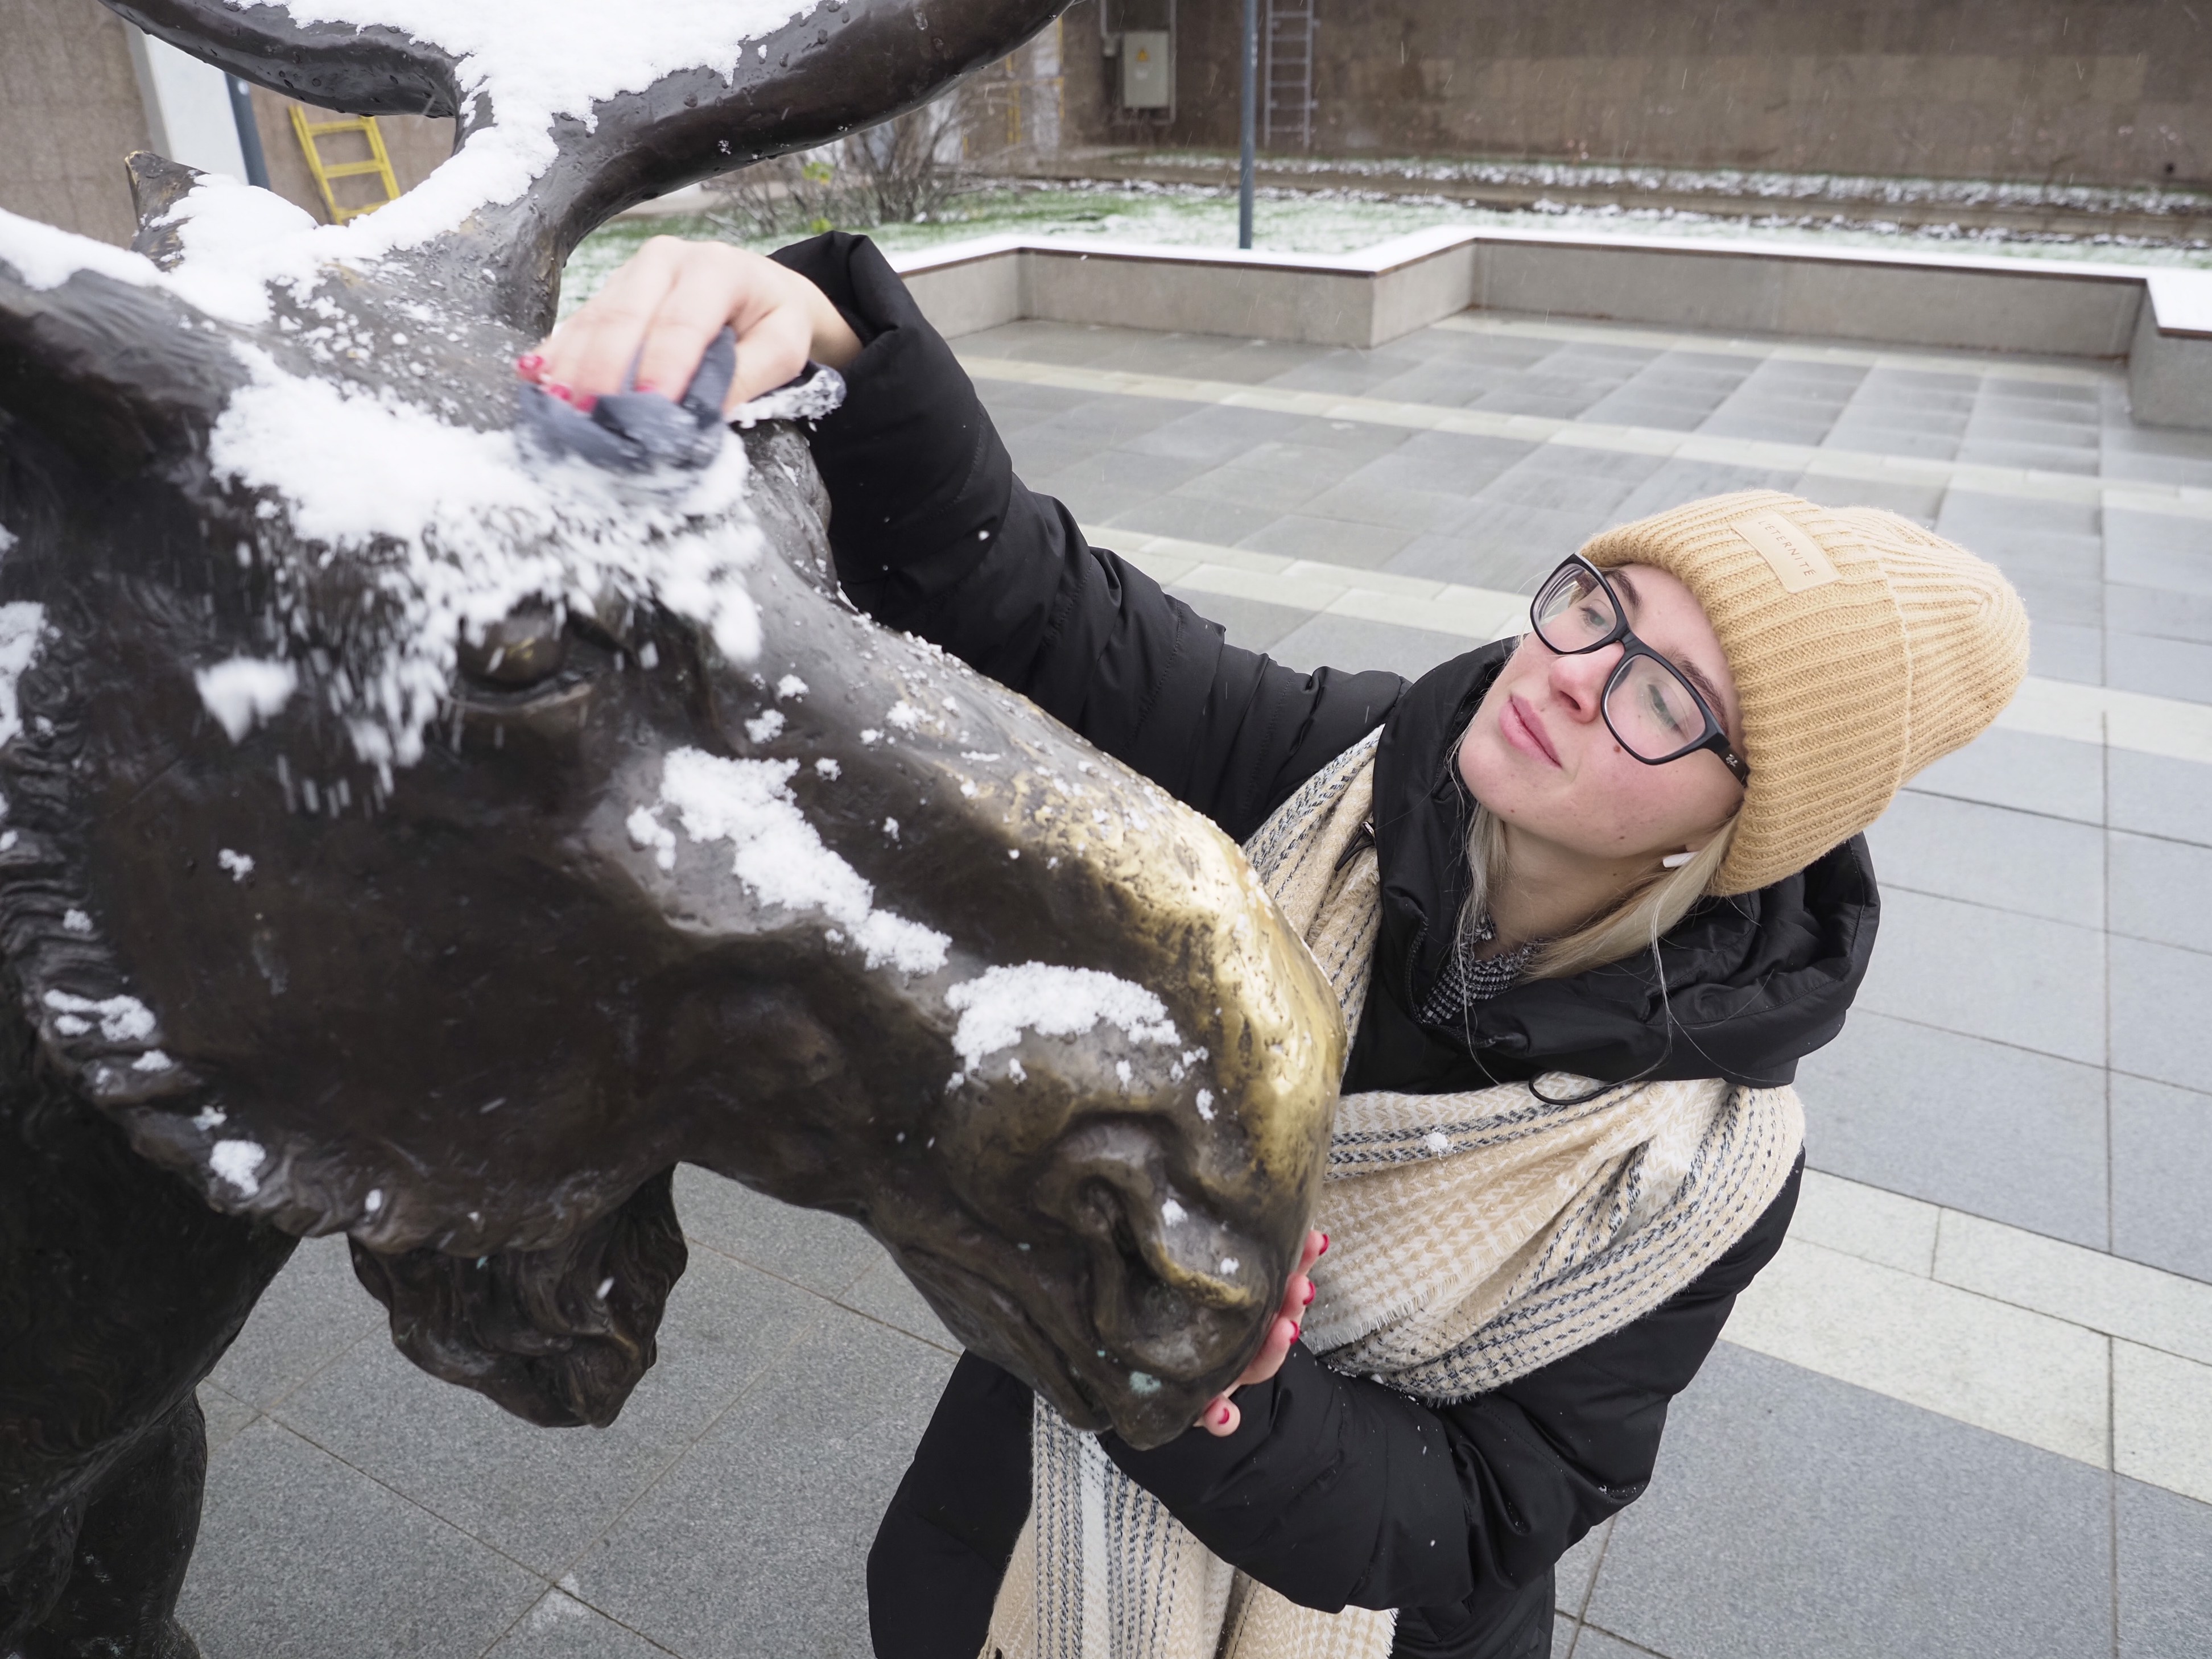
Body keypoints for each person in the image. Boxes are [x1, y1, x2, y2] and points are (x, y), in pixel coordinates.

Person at [527, 234, 2029, 1659]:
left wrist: (1236, 1378)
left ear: (1734, 827)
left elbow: (1493, 1509)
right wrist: (835, 328)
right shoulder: (1342, 774)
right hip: (1011, 1545)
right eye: (1596, 605)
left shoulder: (1707, 1174)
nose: (1573, 676)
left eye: (1662, 696)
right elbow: (1045, 608)